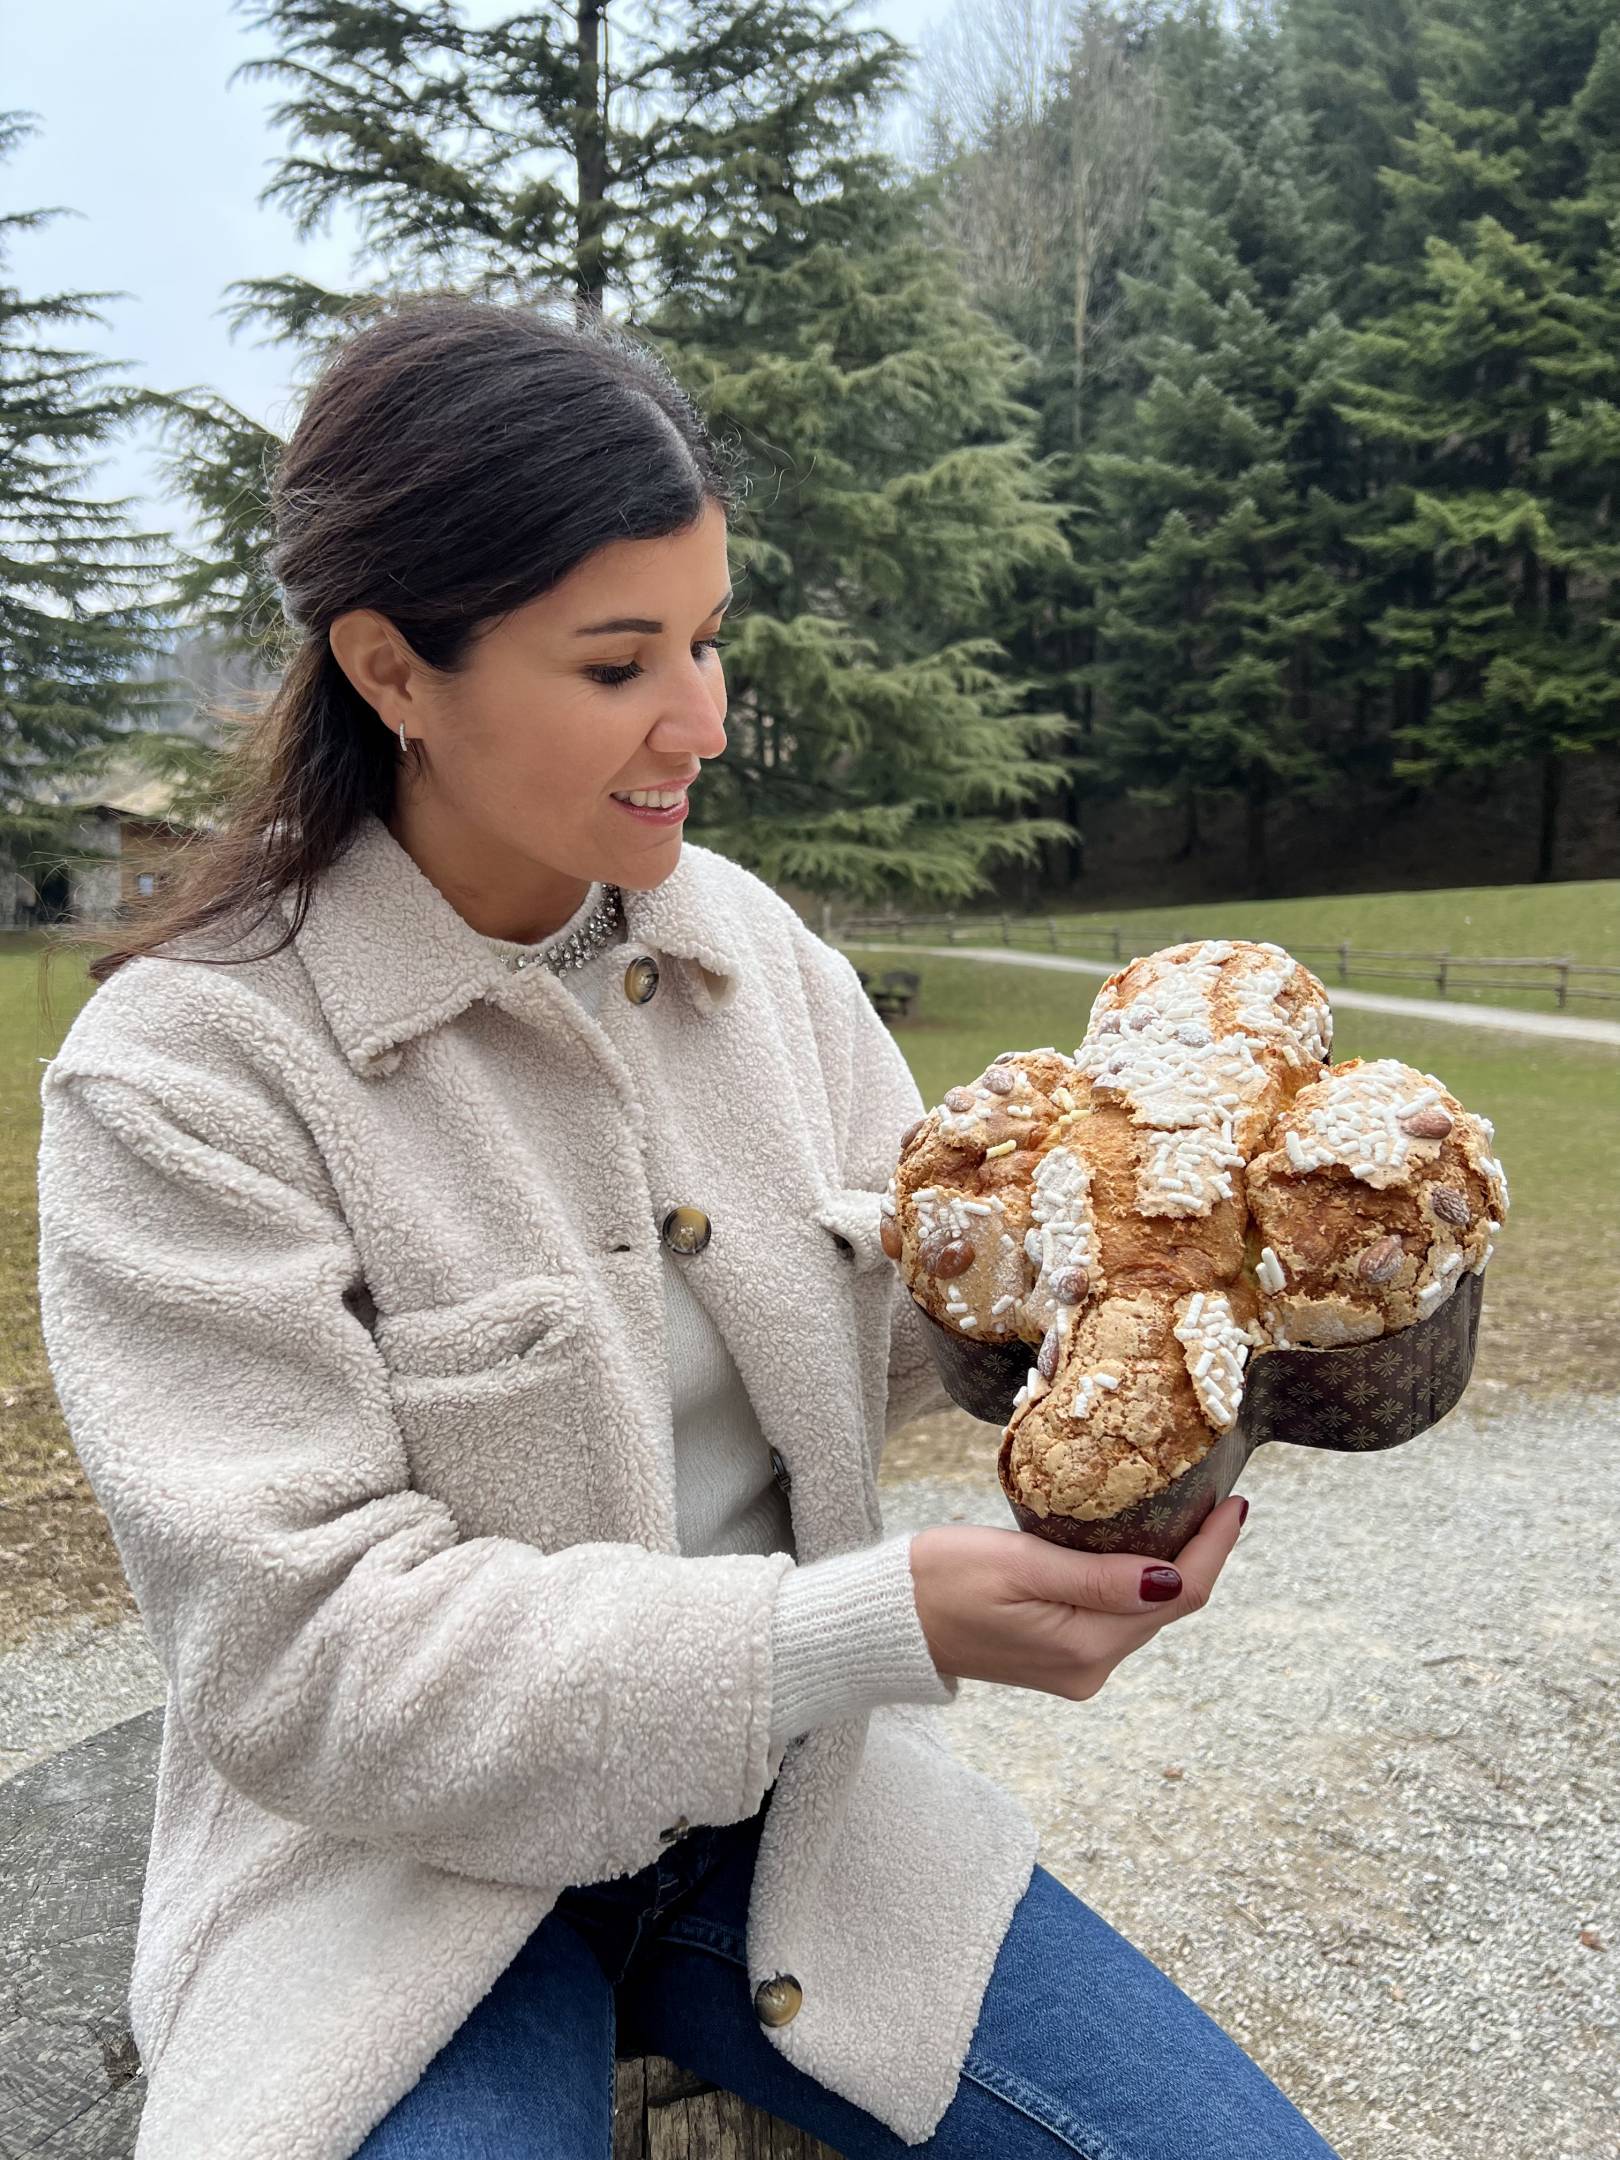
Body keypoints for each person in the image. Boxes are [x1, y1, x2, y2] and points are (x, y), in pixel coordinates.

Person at [35, 293, 1340, 2160]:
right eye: (617, 661)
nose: (702, 721)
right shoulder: (185, 1082)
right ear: (394, 667)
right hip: (393, 1887)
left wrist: (1258, 1281)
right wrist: (871, 1624)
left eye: (711, 640)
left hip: (795, 1825)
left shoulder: (740, 945)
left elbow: (944, 1309)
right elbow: (308, 1663)